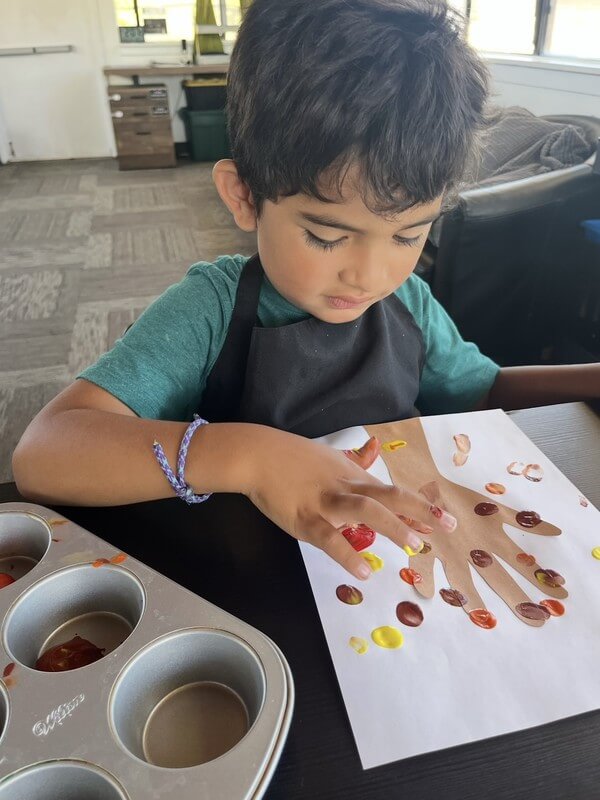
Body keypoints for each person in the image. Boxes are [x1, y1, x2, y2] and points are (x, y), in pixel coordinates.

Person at [13, 0, 599, 582]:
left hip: (385, 579)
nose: (370, 277)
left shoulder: (410, 303)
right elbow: (44, 454)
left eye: (409, 234)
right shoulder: (212, 310)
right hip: (248, 577)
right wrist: (249, 456)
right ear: (243, 196)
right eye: (325, 236)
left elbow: (481, 390)